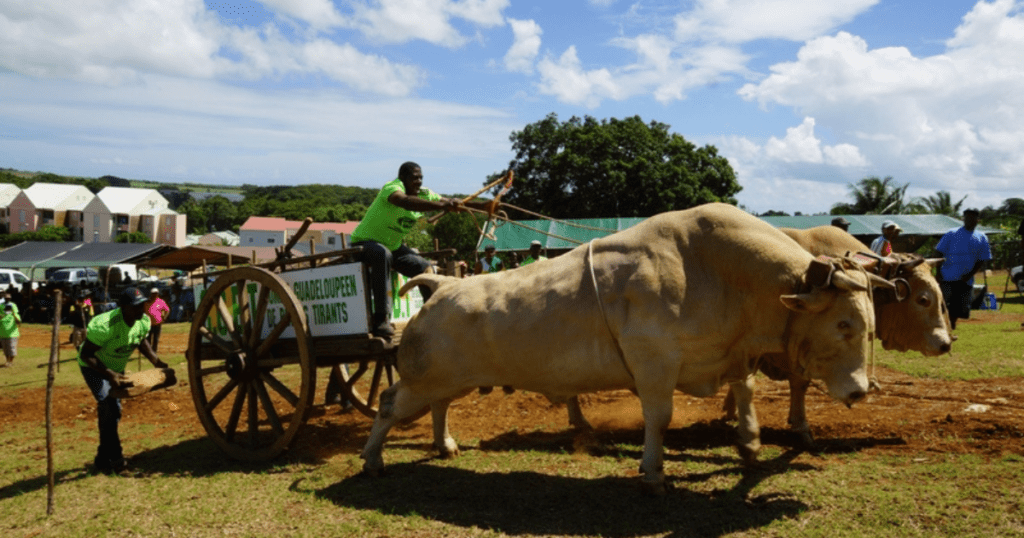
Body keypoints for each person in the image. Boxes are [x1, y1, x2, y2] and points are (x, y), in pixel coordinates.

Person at [349, 161, 490, 339]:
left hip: (392, 247)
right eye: (414, 178)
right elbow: (405, 202)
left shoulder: (425, 194)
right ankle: (381, 319)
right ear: (403, 178)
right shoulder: (392, 188)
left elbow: (454, 203)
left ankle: (432, 317)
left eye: (421, 177)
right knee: (381, 254)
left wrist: (484, 206)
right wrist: (442, 207)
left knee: (424, 268)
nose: (418, 181)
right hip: (365, 243)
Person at [78, 287, 165, 474]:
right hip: (94, 368)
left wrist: (156, 361)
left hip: (116, 369)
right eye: (135, 306)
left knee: (112, 414)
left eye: (142, 304)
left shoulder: (142, 321)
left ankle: (102, 459)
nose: (141, 309)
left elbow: (141, 341)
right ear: (123, 307)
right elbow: (86, 354)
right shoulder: (104, 325)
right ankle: (118, 462)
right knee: (109, 408)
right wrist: (110, 374)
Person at [935, 209, 992, 330]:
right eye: (967, 218)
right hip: (947, 276)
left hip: (965, 279)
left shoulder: (981, 237)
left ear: (978, 220)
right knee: (942, 303)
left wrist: (970, 274)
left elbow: (981, 260)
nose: (970, 220)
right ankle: (940, 325)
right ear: (963, 219)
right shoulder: (951, 233)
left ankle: (951, 325)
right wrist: (938, 272)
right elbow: (938, 253)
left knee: (959, 306)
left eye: (973, 218)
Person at [144, 288, 170, 352]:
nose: (154, 295)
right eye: (153, 293)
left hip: (157, 323)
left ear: (158, 294)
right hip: (148, 324)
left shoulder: (161, 301)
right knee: (148, 339)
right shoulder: (147, 302)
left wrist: (164, 317)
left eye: (155, 293)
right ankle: (149, 351)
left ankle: (154, 351)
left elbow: (167, 310)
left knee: (156, 339)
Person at [0, 302, 21, 367]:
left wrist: (14, 314)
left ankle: (10, 362)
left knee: (11, 349)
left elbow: (19, 323)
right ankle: (7, 361)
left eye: (9, 309)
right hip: (3, 335)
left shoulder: (15, 315)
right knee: (5, 350)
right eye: (6, 309)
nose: (7, 311)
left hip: (12, 335)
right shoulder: (1, 315)